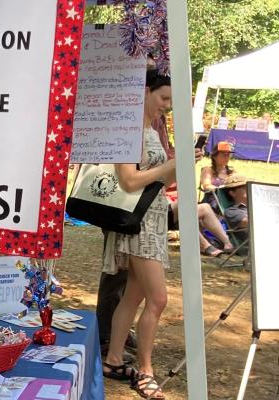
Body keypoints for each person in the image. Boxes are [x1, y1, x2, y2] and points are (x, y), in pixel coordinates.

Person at [102, 70, 201, 399]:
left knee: (134, 296)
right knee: (158, 299)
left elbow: (160, 183)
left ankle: (114, 360)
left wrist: (181, 165)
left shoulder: (153, 131)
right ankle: (146, 371)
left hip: (155, 220)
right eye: (164, 98)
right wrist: (173, 164)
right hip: (139, 224)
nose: (167, 106)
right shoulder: (127, 129)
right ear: (145, 91)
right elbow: (129, 181)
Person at [167, 200, 234, 256]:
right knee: (184, 203)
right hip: (159, 215)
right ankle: (204, 245)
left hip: (167, 210)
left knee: (205, 207)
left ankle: (227, 243)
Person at [199, 141, 235, 210]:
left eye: (228, 155)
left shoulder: (232, 172)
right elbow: (206, 186)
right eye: (224, 154)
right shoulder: (207, 170)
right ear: (214, 156)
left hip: (228, 201)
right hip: (212, 201)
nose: (226, 157)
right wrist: (222, 190)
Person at [222, 174, 250, 243]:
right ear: (232, 193)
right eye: (244, 187)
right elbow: (248, 222)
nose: (249, 188)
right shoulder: (232, 211)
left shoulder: (259, 205)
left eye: (249, 186)